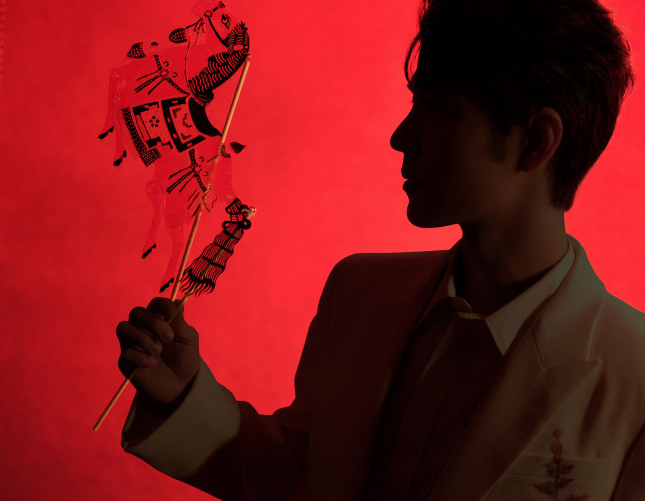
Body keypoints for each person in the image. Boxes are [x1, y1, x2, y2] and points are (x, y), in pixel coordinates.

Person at [115, 0, 645, 499]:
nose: (400, 136)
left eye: (438, 108)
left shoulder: (635, 374)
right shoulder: (359, 293)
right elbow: (305, 477)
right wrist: (183, 395)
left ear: (536, 141)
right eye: (416, 103)